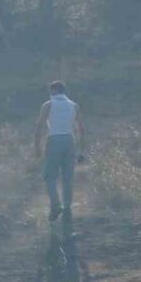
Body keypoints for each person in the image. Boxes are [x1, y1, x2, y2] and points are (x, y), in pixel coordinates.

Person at [35, 81, 84, 223]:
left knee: (50, 176)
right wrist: (81, 150)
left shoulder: (48, 105)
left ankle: (55, 205)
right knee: (68, 176)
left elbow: (40, 126)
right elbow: (81, 128)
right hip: (69, 139)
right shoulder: (74, 106)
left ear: (53, 90)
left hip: (54, 139)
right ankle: (67, 209)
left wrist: (37, 146)